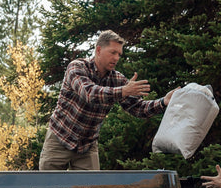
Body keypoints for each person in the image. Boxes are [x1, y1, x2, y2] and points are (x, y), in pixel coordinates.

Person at [39, 30, 175, 170]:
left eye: (119, 54)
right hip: (59, 138)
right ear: (98, 50)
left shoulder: (117, 80)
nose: (116, 58)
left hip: (87, 146)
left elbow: (138, 108)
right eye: (113, 52)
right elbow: (89, 93)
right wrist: (124, 91)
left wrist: (164, 101)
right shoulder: (77, 67)